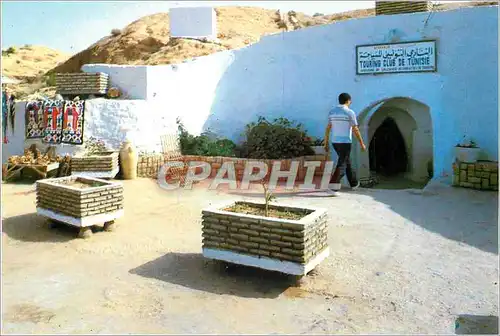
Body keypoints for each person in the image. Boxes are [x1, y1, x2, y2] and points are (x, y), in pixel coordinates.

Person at [324, 93, 366, 192]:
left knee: (346, 161)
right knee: (342, 164)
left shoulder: (332, 112)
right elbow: (355, 129)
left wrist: (326, 142)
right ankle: (333, 187)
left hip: (335, 142)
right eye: (350, 101)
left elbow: (328, 128)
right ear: (348, 101)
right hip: (345, 142)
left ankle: (354, 183)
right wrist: (362, 143)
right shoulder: (350, 112)